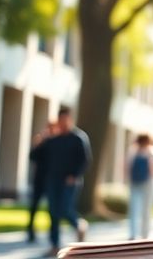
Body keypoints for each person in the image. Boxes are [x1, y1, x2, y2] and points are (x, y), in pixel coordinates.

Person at [45, 107, 91, 255]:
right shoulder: (53, 140)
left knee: (65, 209)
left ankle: (79, 224)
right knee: (53, 211)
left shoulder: (79, 138)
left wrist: (74, 175)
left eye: (65, 120)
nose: (63, 123)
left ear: (70, 120)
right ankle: (54, 244)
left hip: (71, 180)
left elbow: (85, 160)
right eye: (61, 120)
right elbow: (36, 156)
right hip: (53, 180)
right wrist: (44, 136)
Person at [26, 121, 59, 243]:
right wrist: (38, 144)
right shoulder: (43, 142)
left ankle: (53, 235)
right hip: (39, 179)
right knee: (34, 206)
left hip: (52, 180)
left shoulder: (57, 142)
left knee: (52, 209)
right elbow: (32, 156)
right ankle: (30, 232)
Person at [127, 134, 153, 240]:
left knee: (134, 209)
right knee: (146, 210)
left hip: (135, 183)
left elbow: (127, 167)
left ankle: (133, 234)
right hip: (149, 183)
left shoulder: (133, 151)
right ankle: (145, 234)